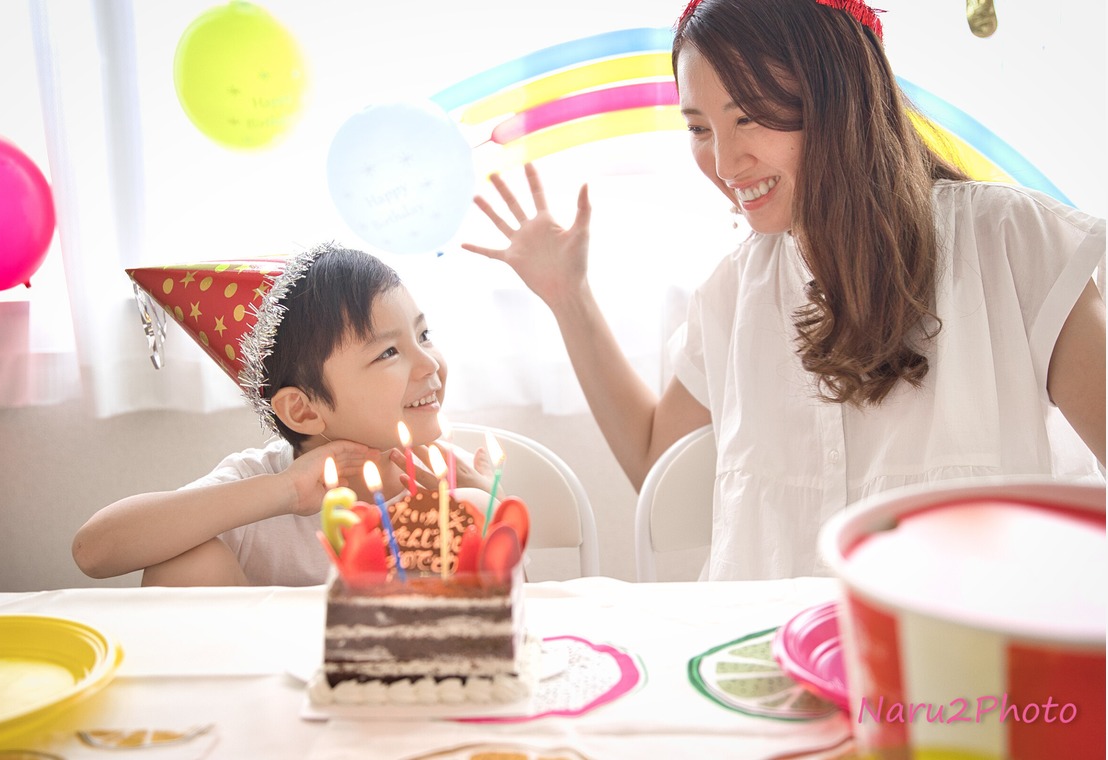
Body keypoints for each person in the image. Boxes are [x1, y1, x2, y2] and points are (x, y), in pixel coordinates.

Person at [462, 0, 1106, 581]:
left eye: (748, 117)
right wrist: (568, 296)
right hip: (769, 661)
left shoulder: (1009, 241)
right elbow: (656, 463)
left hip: (963, 661)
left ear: (839, 99)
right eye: (699, 128)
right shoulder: (734, 290)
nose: (724, 163)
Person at [73, 243, 491, 586]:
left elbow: (512, 610)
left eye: (424, 335)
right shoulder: (263, 482)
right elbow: (93, 550)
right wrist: (285, 491)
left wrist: (491, 503)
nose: (429, 364)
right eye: (389, 352)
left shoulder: (446, 480)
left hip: (412, 661)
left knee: (473, 512)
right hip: (266, 663)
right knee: (184, 562)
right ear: (303, 410)